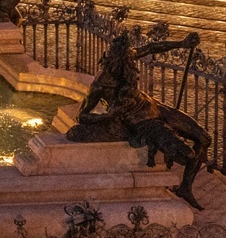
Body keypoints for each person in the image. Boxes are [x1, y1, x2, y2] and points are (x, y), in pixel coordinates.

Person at [67, 30, 211, 209]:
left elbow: (152, 47)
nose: (130, 63)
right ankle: (183, 181)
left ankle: (185, 188)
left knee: (204, 139)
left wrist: (182, 43)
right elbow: (81, 115)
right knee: (188, 155)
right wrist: (108, 116)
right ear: (114, 61)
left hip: (154, 106)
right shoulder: (101, 82)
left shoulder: (128, 57)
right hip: (142, 122)